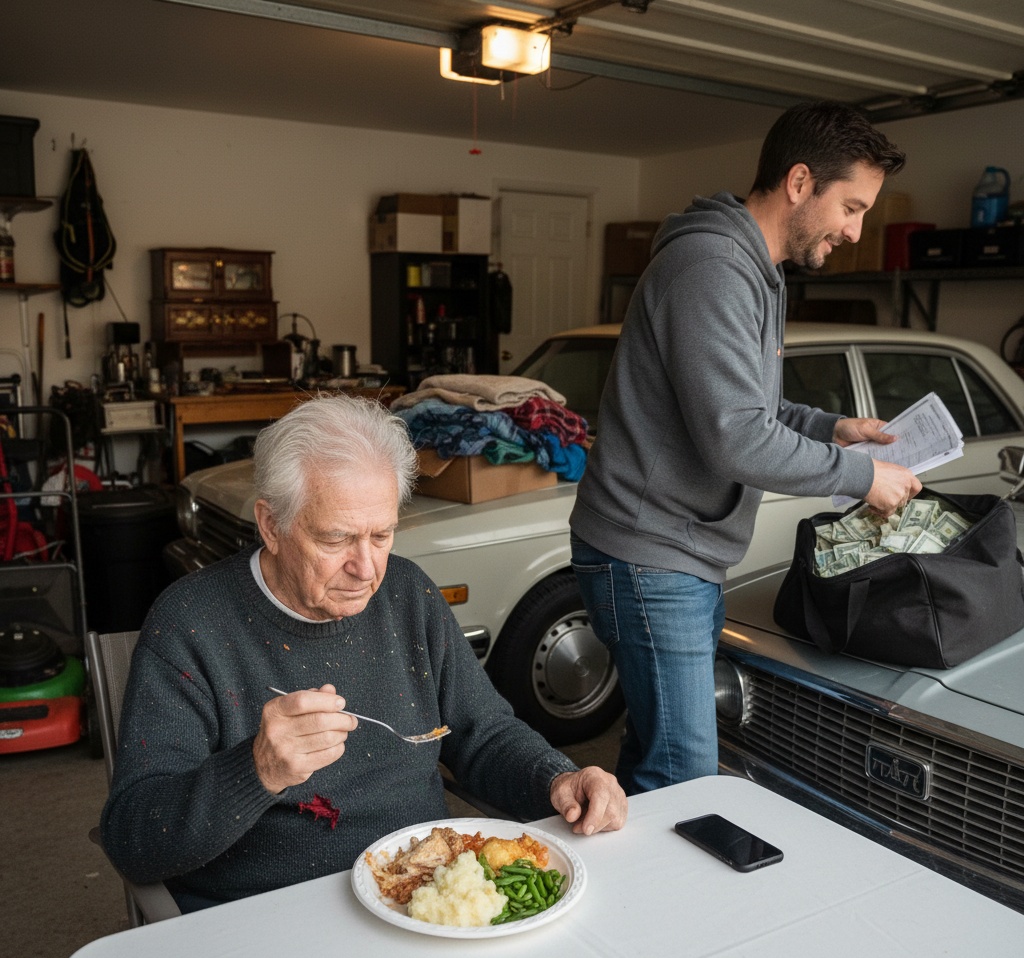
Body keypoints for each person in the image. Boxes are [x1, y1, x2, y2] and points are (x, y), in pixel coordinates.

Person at [101, 394, 626, 913]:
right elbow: (133, 839)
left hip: (420, 901)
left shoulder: (408, 594)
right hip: (269, 915)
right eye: (336, 540)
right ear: (271, 525)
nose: (367, 568)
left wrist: (558, 779)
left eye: (382, 534)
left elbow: (483, 734)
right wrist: (257, 770)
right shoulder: (190, 625)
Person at [569, 100, 922, 796]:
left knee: (654, 757)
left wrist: (833, 429)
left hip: (679, 554)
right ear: (799, 182)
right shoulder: (713, 265)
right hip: (650, 555)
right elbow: (737, 438)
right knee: (685, 777)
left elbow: (750, 410)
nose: (855, 231)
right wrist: (860, 476)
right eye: (851, 207)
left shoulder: (756, 268)